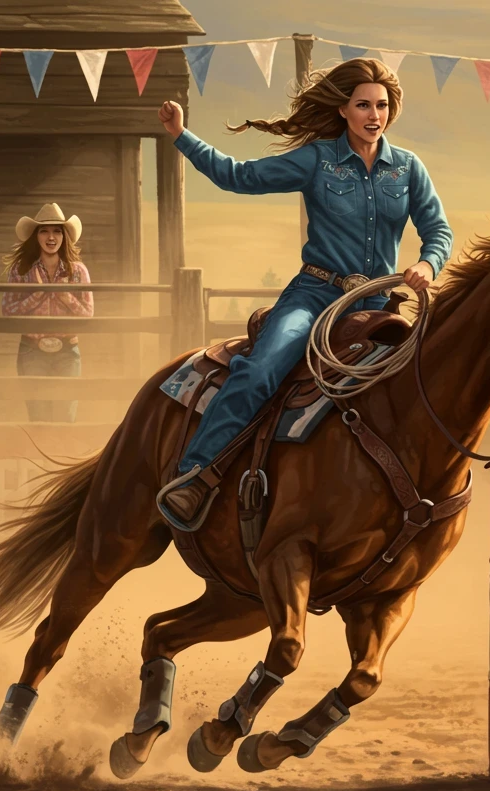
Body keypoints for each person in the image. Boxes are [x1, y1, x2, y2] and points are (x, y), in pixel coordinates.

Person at [153, 58, 452, 531]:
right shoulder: (318, 160)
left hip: (377, 303)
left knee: (424, 382)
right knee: (261, 371)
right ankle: (194, 475)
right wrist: (181, 136)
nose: (374, 115)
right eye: (363, 105)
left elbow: (437, 230)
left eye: (382, 105)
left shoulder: (408, 169)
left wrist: (425, 263)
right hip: (315, 295)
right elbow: (241, 176)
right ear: (343, 110)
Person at [1, 203, 93, 423]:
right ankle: (40, 456)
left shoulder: (77, 271)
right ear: (37, 236)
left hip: (67, 349)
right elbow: (7, 310)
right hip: (32, 349)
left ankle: (62, 454)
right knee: (37, 413)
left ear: (64, 236)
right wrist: (39, 294)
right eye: (44, 230)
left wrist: (65, 296)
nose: (51, 237)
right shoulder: (21, 269)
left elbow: (88, 313)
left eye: (57, 231)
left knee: (66, 415)